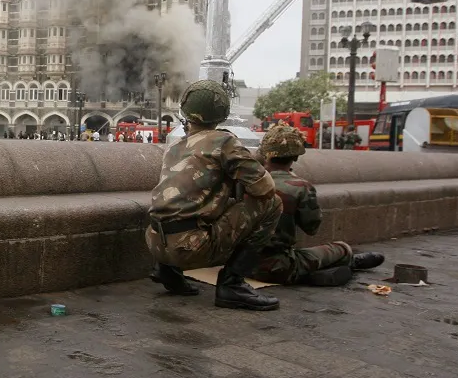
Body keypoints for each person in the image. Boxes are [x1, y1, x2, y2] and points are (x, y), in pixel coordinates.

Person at [145, 80, 283, 310]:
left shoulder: (175, 146)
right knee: (272, 204)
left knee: (180, 205)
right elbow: (265, 188)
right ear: (222, 113)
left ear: (185, 111)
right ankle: (233, 284)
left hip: (154, 241)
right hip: (190, 248)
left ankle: (167, 271)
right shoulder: (224, 141)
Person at [251, 124, 385, 286]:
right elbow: (311, 227)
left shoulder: (249, 182)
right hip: (276, 267)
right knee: (341, 249)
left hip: (240, 265)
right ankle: (346, 263)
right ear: (295, 157)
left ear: (266, 154)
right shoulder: (300, 187)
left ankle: (310, 273)